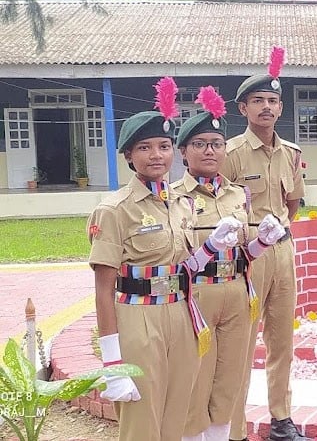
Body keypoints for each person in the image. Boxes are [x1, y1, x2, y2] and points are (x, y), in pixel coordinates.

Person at [87, 77, 242, 441]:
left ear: (174, 152)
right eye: (145, 147)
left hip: (181, 313)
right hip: (138, 317)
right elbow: (102, 291)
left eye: (163, 146)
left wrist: (212, 247)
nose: (156, 155)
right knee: (143, 422)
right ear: (129, 155)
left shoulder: (181, 202)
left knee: (178, 417)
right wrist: (112, 362)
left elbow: (183, 267)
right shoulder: (114, 210)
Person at [172, 86, 287, 441]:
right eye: (200, 144)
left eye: (216, 144)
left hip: (237, 294)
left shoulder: (238, 195)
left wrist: (262, 242)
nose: (210, 151)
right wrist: (207, 249)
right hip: (198, 298)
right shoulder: (174, 197)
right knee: (196, 384)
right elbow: (175, 266)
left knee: (228, 383)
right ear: (184, 151)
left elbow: (243, 255)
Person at [222, 48, 310, 441]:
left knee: (281, 338)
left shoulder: (291, 153)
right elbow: (220, 205)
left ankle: (281, 418)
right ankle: (235, 426)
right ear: (243, 108)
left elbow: (293, 202)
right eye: (258, 101)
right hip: (246, 254)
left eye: (273, 101)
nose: (266, 107)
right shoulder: (230, 154)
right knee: (242, 340)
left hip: (283, 251)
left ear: (281, 107)